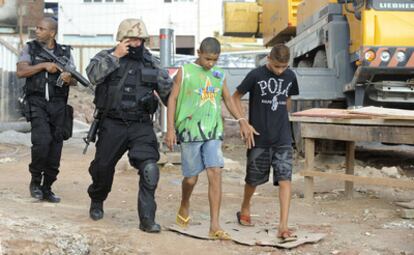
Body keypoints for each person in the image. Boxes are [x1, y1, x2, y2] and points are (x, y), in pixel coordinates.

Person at [85, 18, 172, 233]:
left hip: (141, 125)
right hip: (112, 124)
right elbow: (92, 76)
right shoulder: (106, 57)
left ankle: (147, 219)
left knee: (150, 169)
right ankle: (97, 199)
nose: (135, 43)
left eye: (139, 39)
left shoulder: (152, 63)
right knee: (102, 169)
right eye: (130, 39)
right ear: (121, 39)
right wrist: (116, 56)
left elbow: (170, 95)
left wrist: (178, 122)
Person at [165, 37, 255, 240]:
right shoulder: (185, 71)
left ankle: (215, 225)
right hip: (189, 131)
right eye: (207, 59)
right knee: (191, 178)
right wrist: (170, 129)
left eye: (215, 59)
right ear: (198, 52)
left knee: (215, 172)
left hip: (213, 130)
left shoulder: (218, 75)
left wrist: (241, 120)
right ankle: (184, 203)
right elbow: (172, 98)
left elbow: (228, 99)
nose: (211, 63)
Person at [232, 44, 299, 242]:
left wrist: (280, 118)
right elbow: (235, 97)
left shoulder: (290, 76)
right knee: (253, 179)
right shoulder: (255, 75)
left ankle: (283, 225)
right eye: (277, 66)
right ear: (268, 59)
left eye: (284, 67)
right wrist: (243, 122)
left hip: (283, 137)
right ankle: (245, 206)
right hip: (258, 137)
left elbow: (287, 100)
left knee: (285, 179)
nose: (280, 71)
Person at [16, 17, 77, 203]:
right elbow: (21, 71)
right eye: (37, 27)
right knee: (42, 142)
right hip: (37, 102)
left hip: (58, 106)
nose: (37, 30)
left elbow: (74, 79)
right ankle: (35, 181)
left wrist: (69, 79)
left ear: (52, 33)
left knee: (55, 148)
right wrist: (43, 65)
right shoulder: (30, 48)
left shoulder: (65, 52)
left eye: (41, 28)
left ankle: (47, 187)